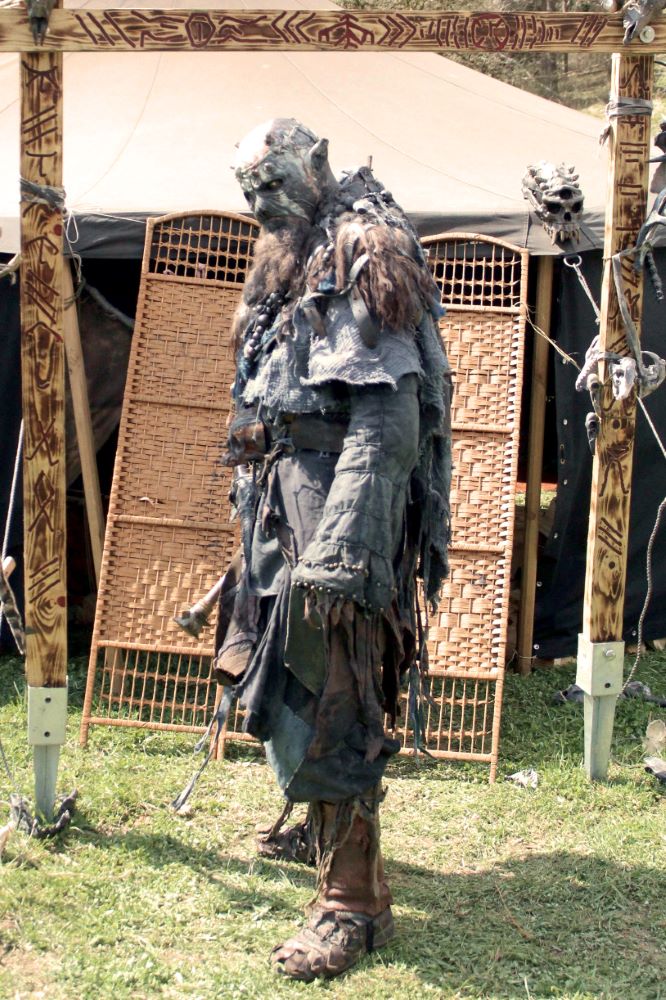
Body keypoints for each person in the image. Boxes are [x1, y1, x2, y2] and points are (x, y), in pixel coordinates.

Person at [215, 118, 452, 981]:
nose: (260, 203)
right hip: (285, 496)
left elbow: (388, 412)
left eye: (274, 182)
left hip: (335, 503)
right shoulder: (295, 247)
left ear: (316, 164)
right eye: (249, 190)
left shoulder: (362, 244)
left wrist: (344, 543)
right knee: (285, 667)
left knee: (335, 684)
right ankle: (320, 827)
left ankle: (355, 901)